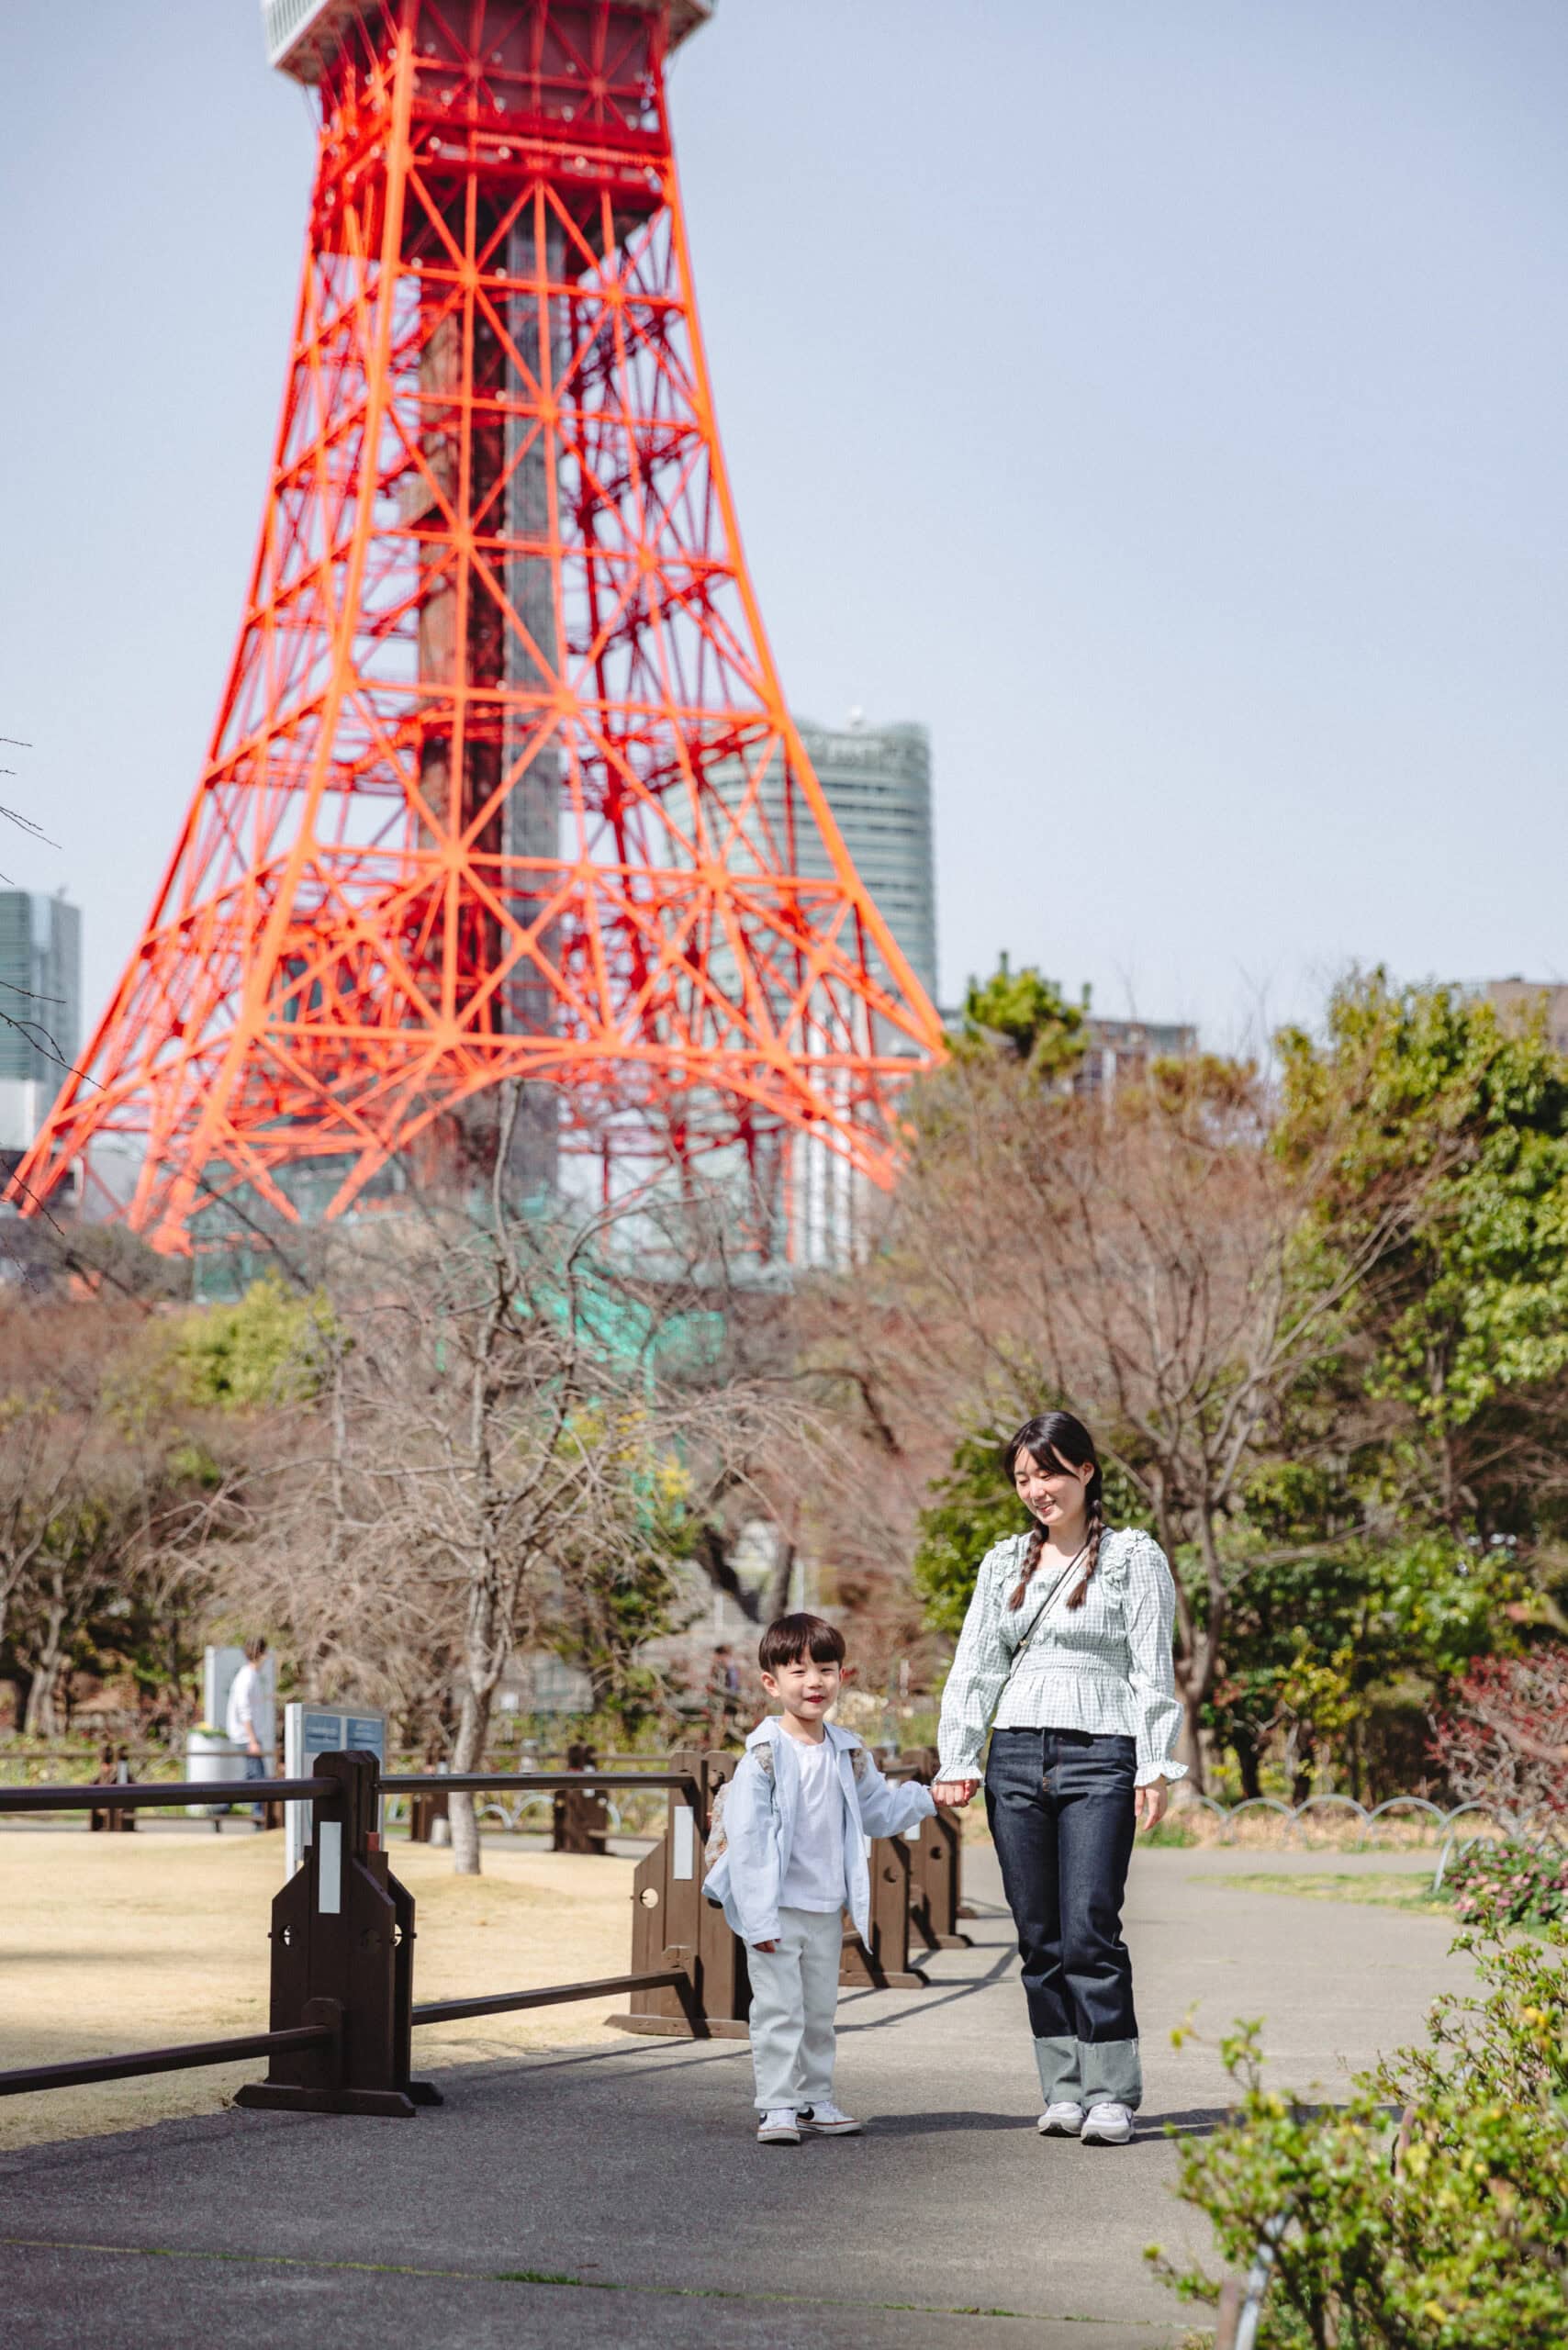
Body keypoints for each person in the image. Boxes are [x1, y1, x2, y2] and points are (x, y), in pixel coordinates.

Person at [933, 1412, 1186, 2148]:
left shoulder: (1134, 1558)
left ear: (1085, 1470)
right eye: (1022, 1478)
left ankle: (1112, 2093)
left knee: (1089, 1927)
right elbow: (975, 1666)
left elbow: (1152, 1668)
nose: (1036, 1489)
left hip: (1102, 1753)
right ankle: (1064, 2088)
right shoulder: (1002, 1563)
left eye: (1047, 1472)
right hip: (1014, 1753)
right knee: (1038, 1935)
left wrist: (1154, 1764)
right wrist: (959, 1755)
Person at [705, 1612, 935, 2145]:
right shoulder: (763, 1756)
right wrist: (759, 1918)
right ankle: (777, 2105)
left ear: (841, 1676)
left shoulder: (847, 1751)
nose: (815, 1682)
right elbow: (749, 1842)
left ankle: (814, 2099)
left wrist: (927, 1797)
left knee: (818, 2011)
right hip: (775, 1908)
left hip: (826, 1906)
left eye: (826, 1670)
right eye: (799, 1671)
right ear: (772, 1683)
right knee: (777, 2009)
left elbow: (877, 1811)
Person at [226, 1637, 271, 1828]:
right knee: (259, 1778)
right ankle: (258, 1817)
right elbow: (244, 1710)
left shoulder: (250, 1676)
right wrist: (252, 1740)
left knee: (251, 1776)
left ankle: (221, 1805)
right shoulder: (247, 1677)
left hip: (248, 1735)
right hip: (246, 1736)